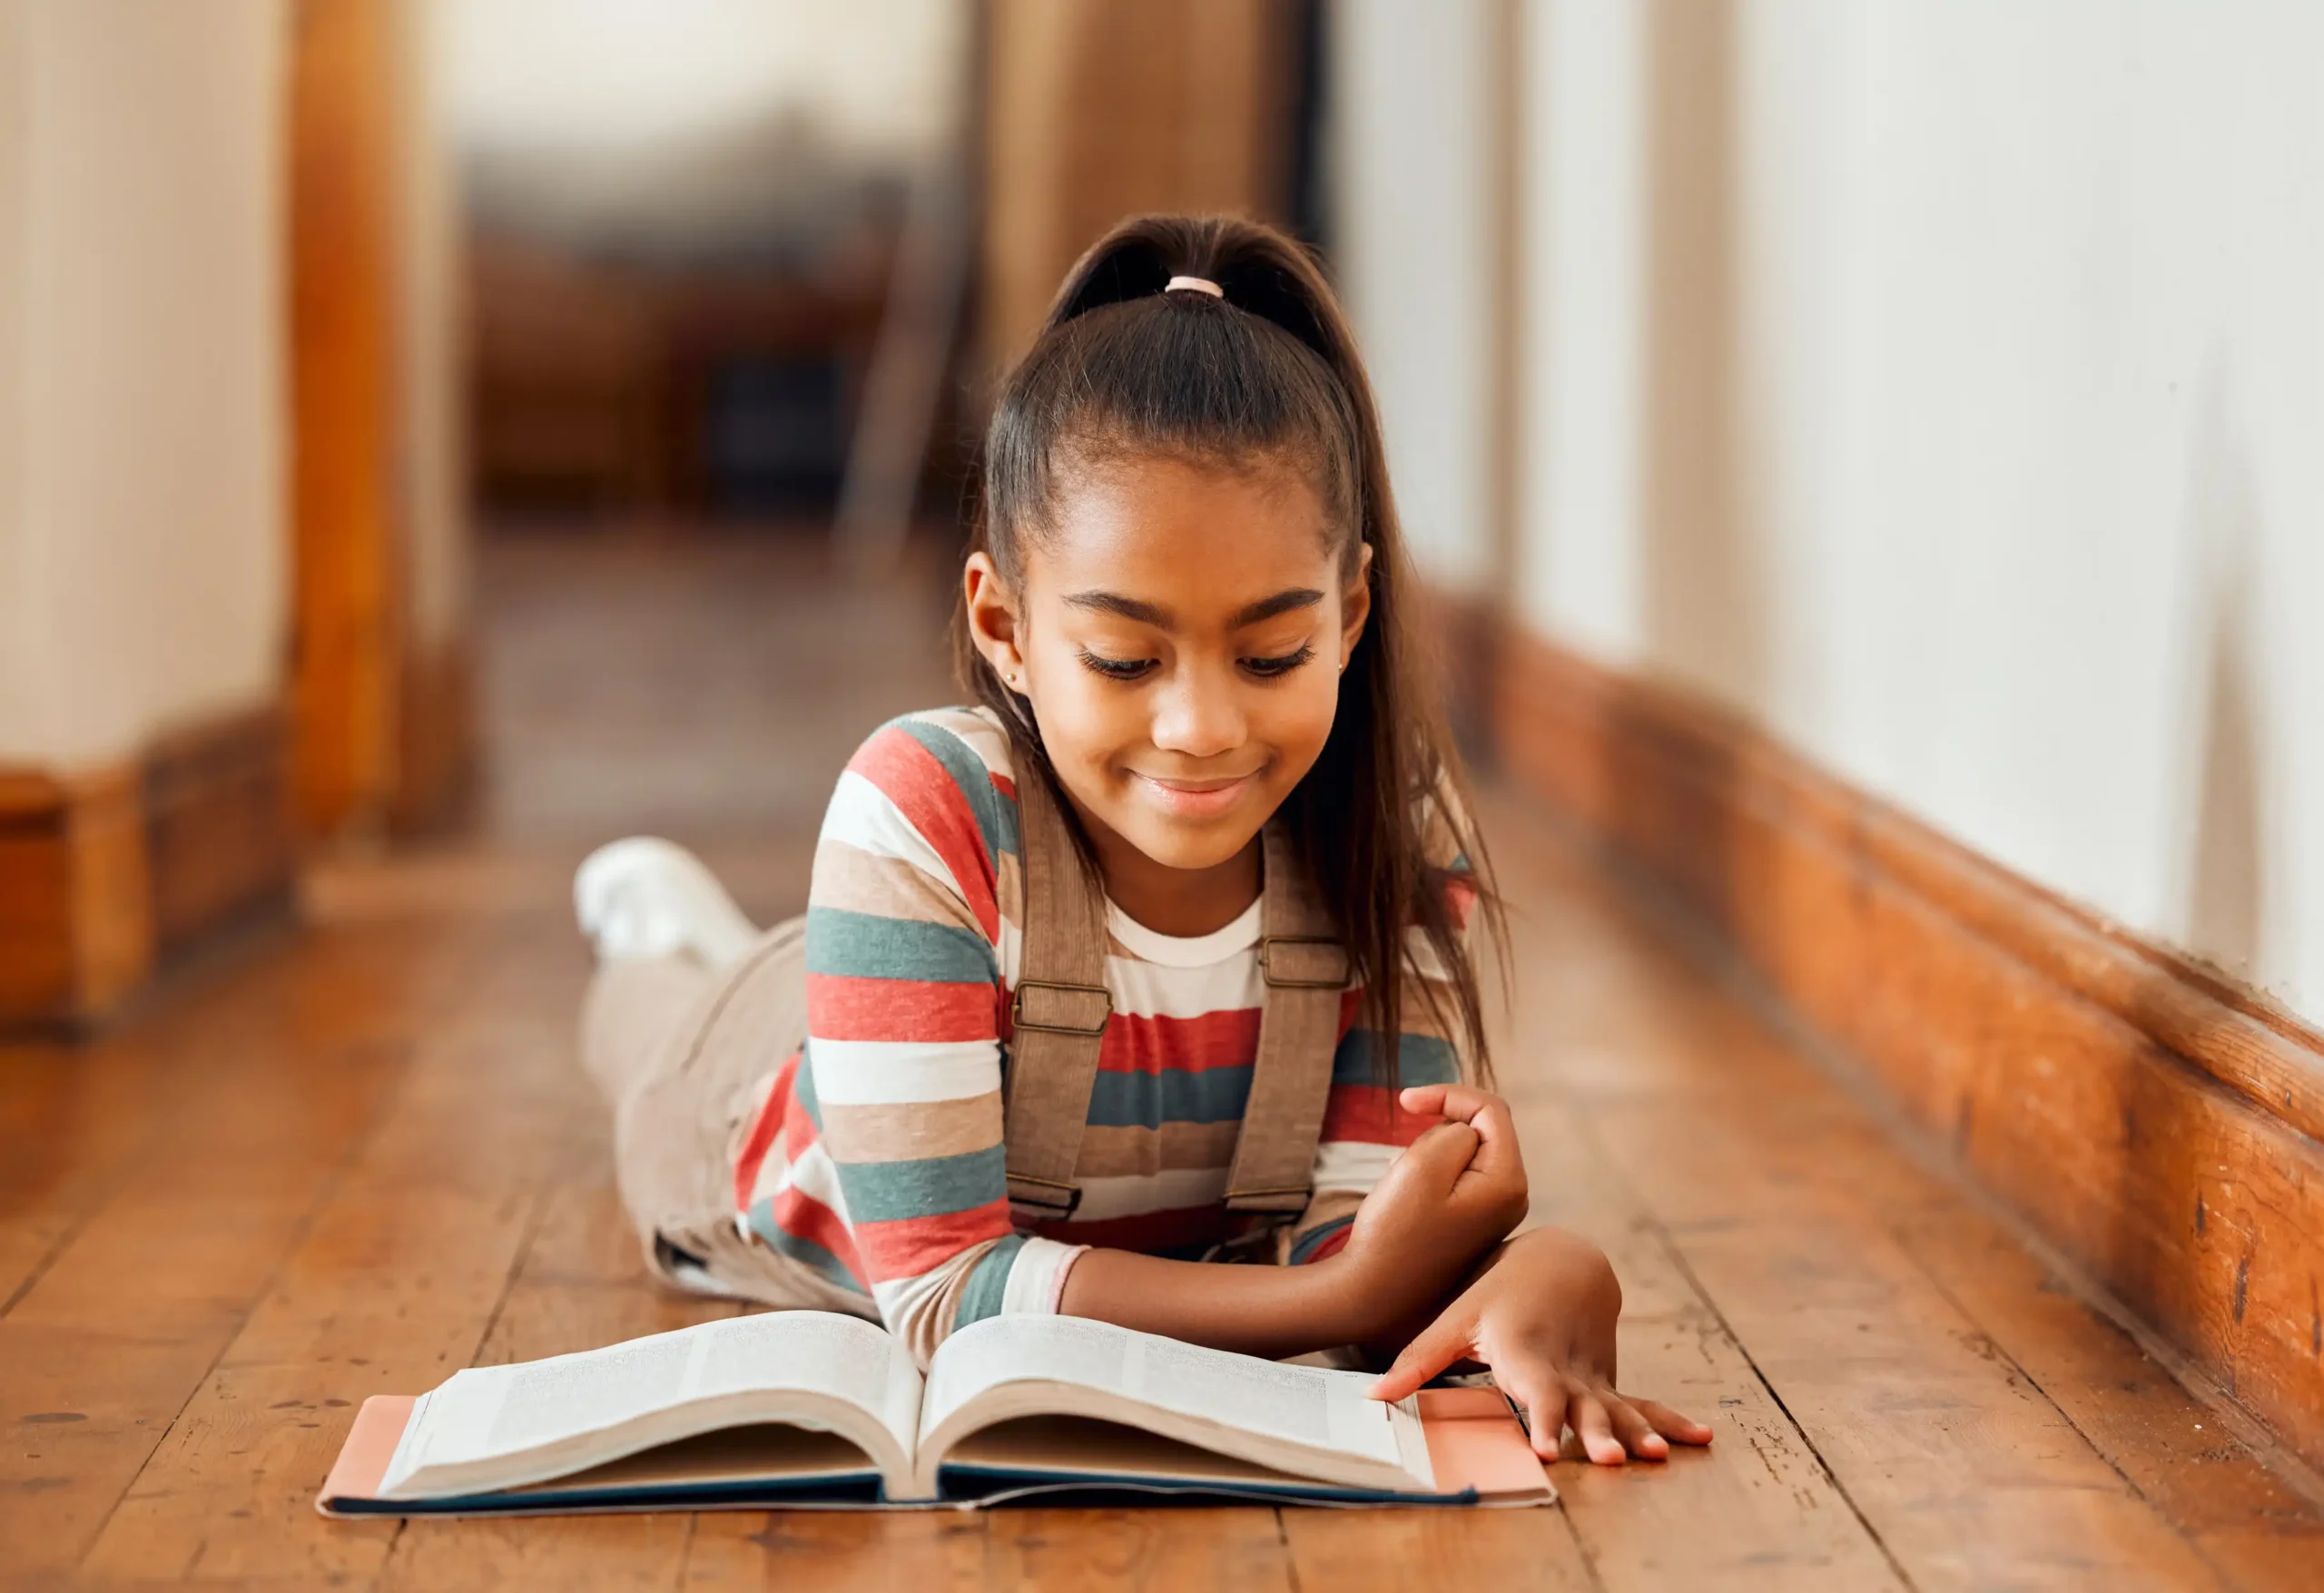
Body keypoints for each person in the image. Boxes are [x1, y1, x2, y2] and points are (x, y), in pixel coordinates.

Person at [574, 213, 1710, 1466]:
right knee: (639, 1019)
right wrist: (1337, 1303)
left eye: (1274, 653)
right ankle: (657, 932)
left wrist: (1556, 1265)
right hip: (744, 1092)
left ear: (1351, 614)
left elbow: (1353, 1233)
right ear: (1004, 627)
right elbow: (949, 1296)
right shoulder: (920, 809)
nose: (1201, 726)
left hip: (929, 1003)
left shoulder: (1394, 824)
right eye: (1124, 657)